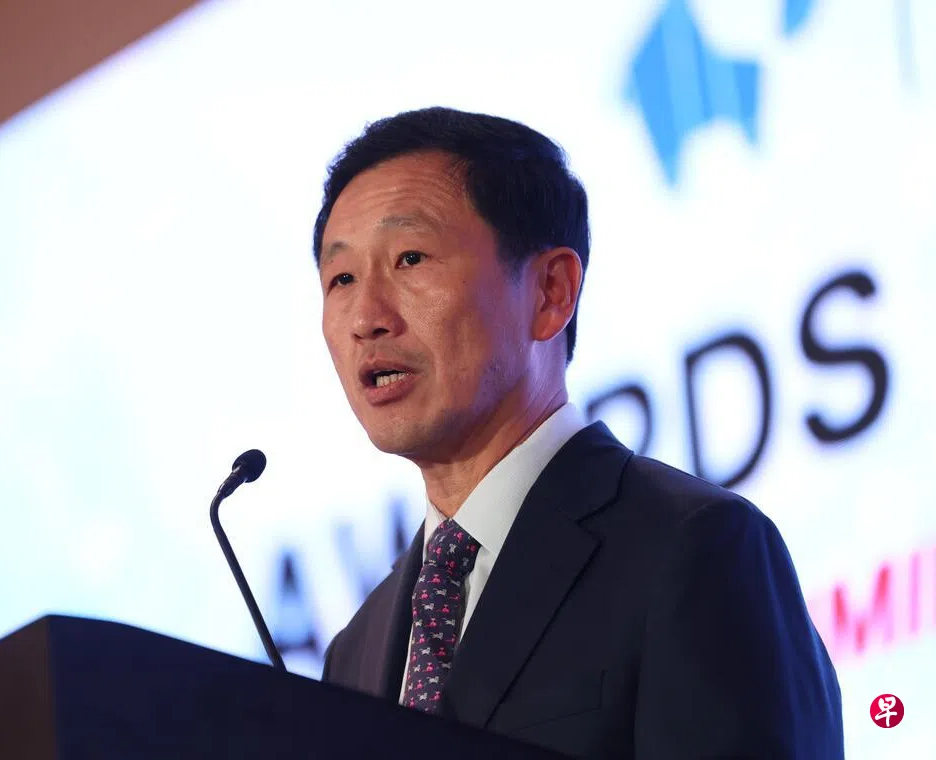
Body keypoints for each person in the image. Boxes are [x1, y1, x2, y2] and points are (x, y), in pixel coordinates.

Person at [314, 106, 844, 758]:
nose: (365, 317)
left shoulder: (693, 548)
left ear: (551, 292)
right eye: (341, 279)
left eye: (410, 258)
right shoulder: (356, 650)